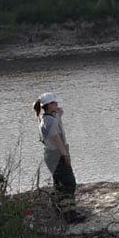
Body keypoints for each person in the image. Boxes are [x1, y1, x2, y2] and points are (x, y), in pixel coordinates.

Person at [33, 92, 82, 221]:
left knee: (59, 183)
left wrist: (58, 113)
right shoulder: (50, 121)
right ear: (49, 106)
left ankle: (59, 210)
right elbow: (57, 138)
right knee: (69, 183)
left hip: (50, 155)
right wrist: (65, 154)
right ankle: (69, 214)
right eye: (55, 103)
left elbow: (57, 120)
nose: (57, 105)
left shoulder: (45, 118)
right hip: (57, 154)